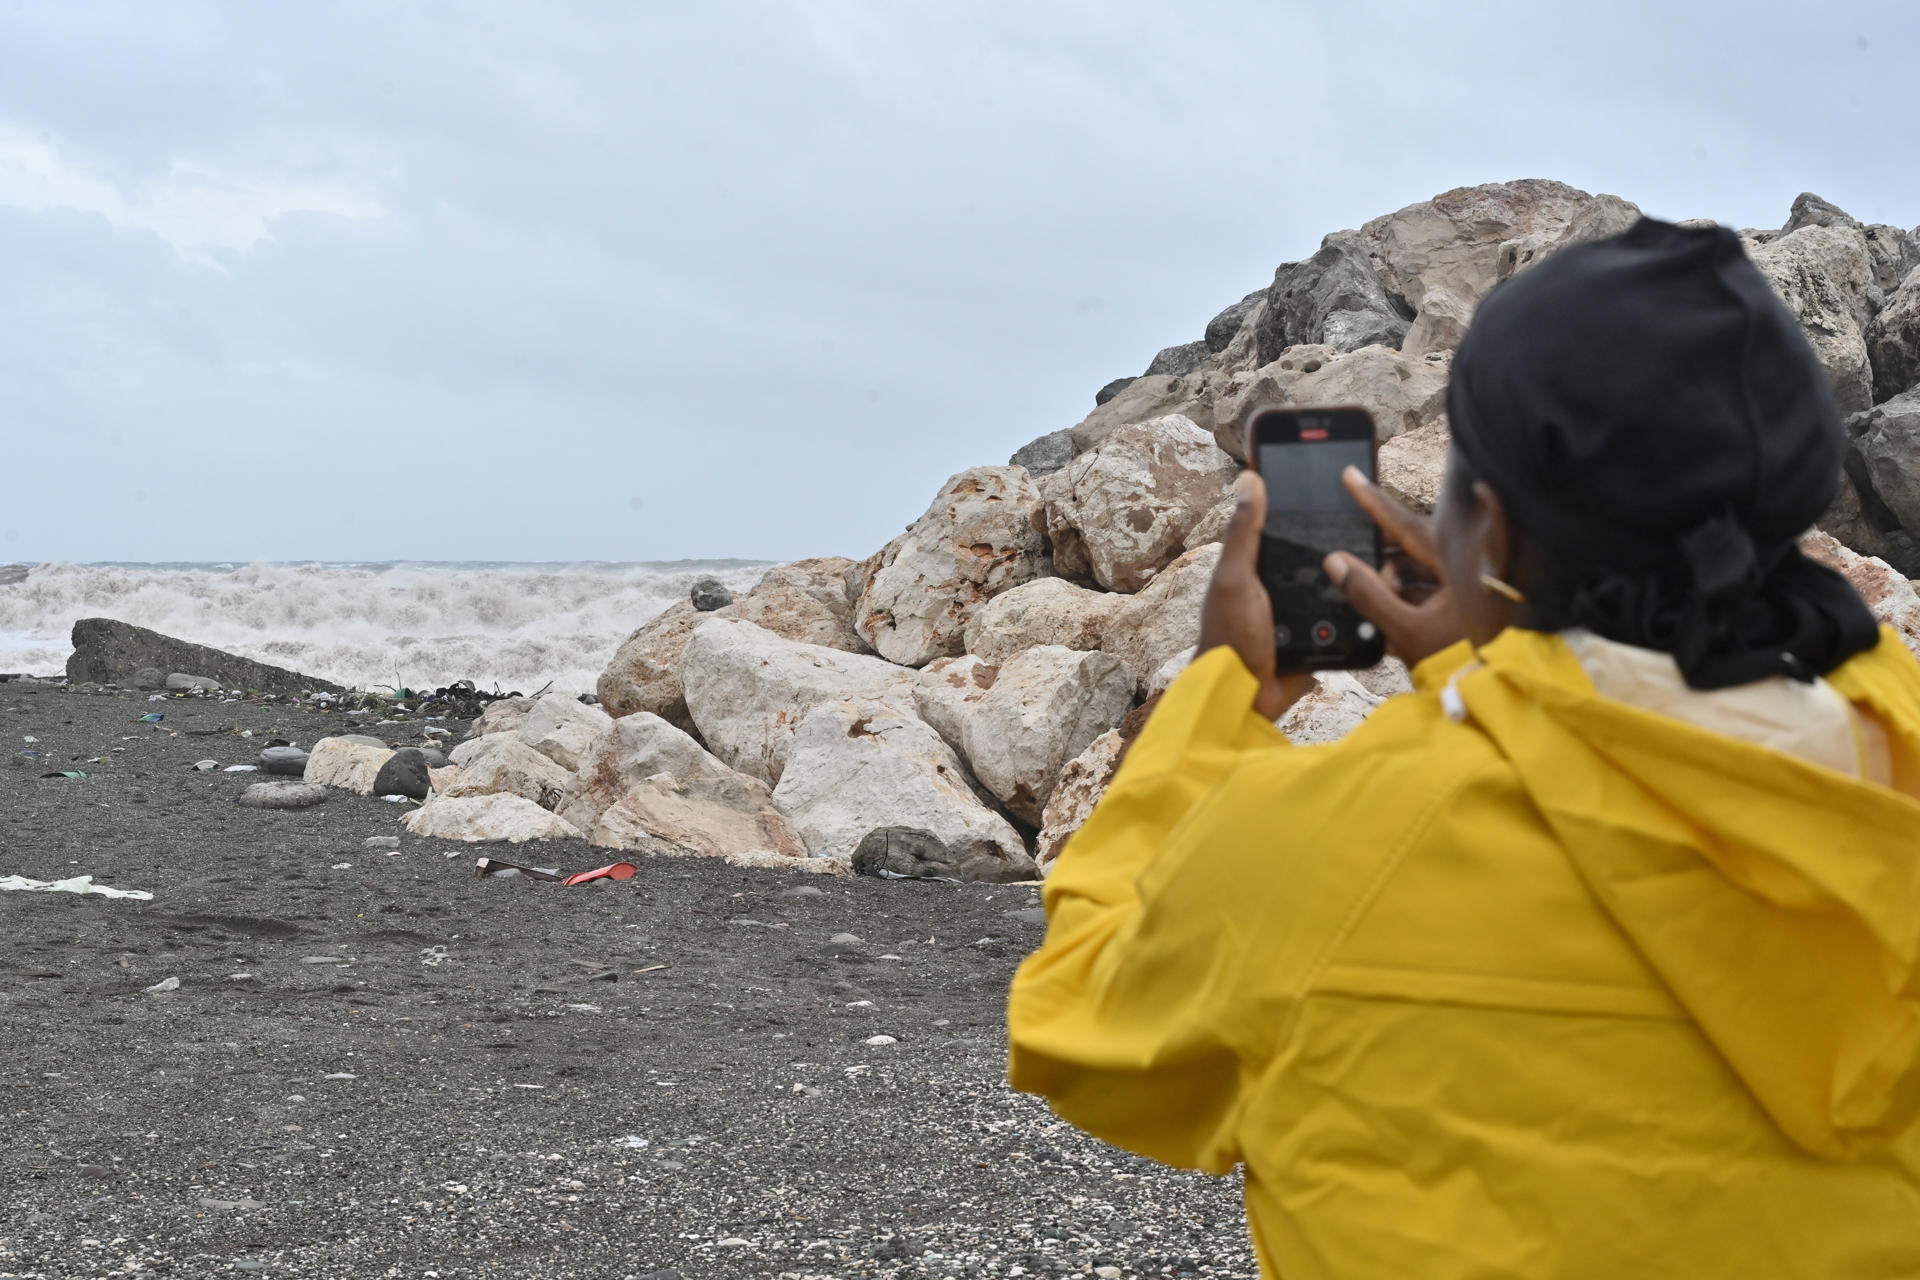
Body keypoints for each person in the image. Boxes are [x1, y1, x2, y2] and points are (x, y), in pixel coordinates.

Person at [1006, 218, 1920, 1278]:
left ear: (1484, 517)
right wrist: (1489, 666)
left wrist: (1222, 700)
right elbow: (1656, 761)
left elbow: (1079, 1021)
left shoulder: (1344, 844)